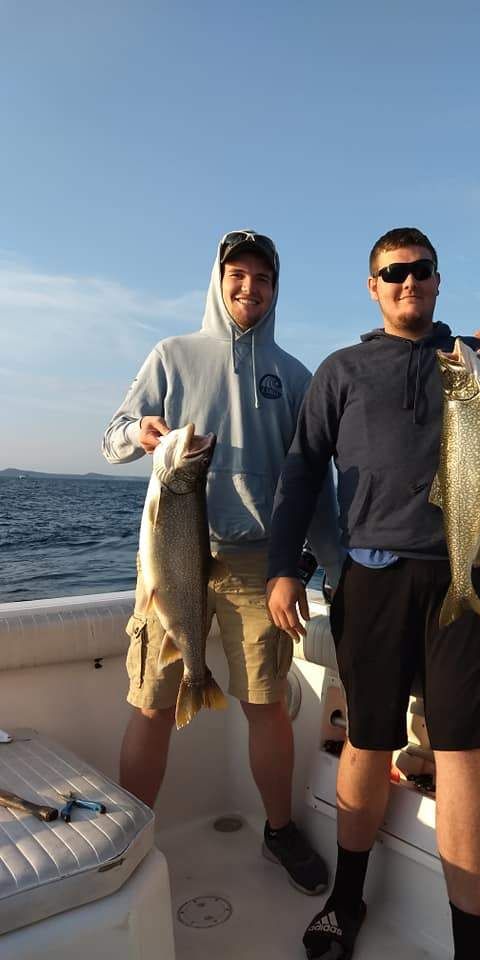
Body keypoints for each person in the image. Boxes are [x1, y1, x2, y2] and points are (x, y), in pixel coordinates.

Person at [266, 227, 480, 959]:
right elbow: (303, 471)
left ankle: (471, 945)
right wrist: (283, 564)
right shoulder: (341, 370)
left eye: (420, 270)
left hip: (470, 573)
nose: (407, 281)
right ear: (373, 286)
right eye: (392, 272)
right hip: (371, 581)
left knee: (462, 753)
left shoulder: (469, 361)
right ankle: (346, 898)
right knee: (368, 742)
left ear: (438, 280)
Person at [102, 229, 342, 896]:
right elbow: (112, 435)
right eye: (237, 275)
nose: (249, 288)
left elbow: (314, 486)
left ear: (276, 288)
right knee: (151, 701)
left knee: (266, 703)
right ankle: (132, 838)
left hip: (255, 563)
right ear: (218, 278)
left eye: (262, 278)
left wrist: (336, 568)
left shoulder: (295, 377)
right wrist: (142, 434)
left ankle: (279, 829)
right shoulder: (171, 356)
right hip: (172, 556)